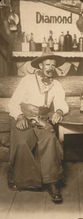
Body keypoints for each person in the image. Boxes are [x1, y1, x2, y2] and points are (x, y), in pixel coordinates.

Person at [8, 52, 69, 203]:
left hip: (41, 120)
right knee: (22, 141)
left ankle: (52, 182)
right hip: (23, 116)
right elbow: (14, 102)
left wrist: (60, 111)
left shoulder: (56, 84)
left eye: (53, 65)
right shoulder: (27, 80)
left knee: (49, 138)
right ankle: (18, 177)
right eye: (47, 64)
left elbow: (62, 103)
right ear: (40, 66)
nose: (50, 68)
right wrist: (20, 116)